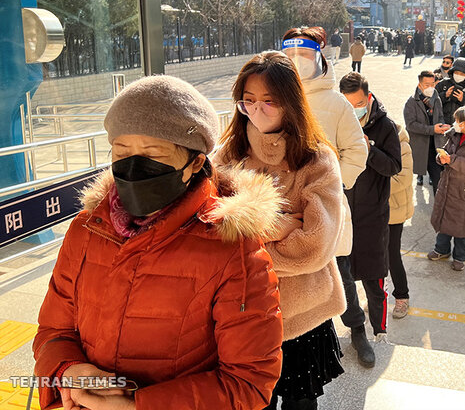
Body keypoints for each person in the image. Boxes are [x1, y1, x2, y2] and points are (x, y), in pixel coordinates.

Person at [33, 75, 284, 410]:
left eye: (153, 155)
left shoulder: (233, 249)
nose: (134, 168)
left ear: (195, 162)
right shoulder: (87, 230)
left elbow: (248, 384)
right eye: (122, 152)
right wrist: (67, 370)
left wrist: (138, 405)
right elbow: (53, 329)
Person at [214, 51, 347, 410]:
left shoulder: (316, 159)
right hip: (242, 313)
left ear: (290, 102)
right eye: (249, 101)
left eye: (269, 101)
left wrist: (249, 237)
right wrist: (286, 224)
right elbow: (208, 234)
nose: (257, 110)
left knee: (300, 403)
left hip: (303, 311)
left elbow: (314, 247)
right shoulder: (227, 157)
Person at [339, 72, 402, 365]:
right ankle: (355, 330)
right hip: (344, 216)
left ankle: (380, 331)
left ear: (368, 98)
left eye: (359, 103)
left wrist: (369, 148)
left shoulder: (386, 126)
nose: (355, 110)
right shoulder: (337, 124)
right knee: (345, 278)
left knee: (375, 281)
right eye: (348, 104)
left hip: (373, 218)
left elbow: (393, 167)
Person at [281, 27, 368, 191]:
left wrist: (335, 185)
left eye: (303, 53)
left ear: (317, 57)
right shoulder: (274, 99)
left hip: (326, 204)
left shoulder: (337, 103)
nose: (297, 60)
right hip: (282, 203)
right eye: (291, 55)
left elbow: (356, 149)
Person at [427, 106, 465, 271]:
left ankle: (460, 257)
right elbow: (446, 152)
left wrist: (452, 160)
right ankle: (441, 250)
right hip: (448, 185)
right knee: (445, 220)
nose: (453, 124)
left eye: (456, 121)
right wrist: (441, 158)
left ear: (464, 123)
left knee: (462, 226)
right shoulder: (455, 135)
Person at [404, 70, 449, 192]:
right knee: (419, 170)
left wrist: (442, 126)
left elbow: (440, 116)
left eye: (432, 84)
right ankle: (420, 177)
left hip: (436, 145)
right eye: (426, 85)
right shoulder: (411, 102)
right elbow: (411, 125)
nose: (430, 88)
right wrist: (431, 129)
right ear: (419, 85)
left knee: (438, 179)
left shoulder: (436, 98)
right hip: (421, 145)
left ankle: (439, 207)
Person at [388, 122, 414, 319]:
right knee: (374, 255)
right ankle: (378, 296)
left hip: (395, 210)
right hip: (374, 208)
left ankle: (402, 296)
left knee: (391, 254)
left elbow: (402, 180)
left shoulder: (402, 145)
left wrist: (372, 185)